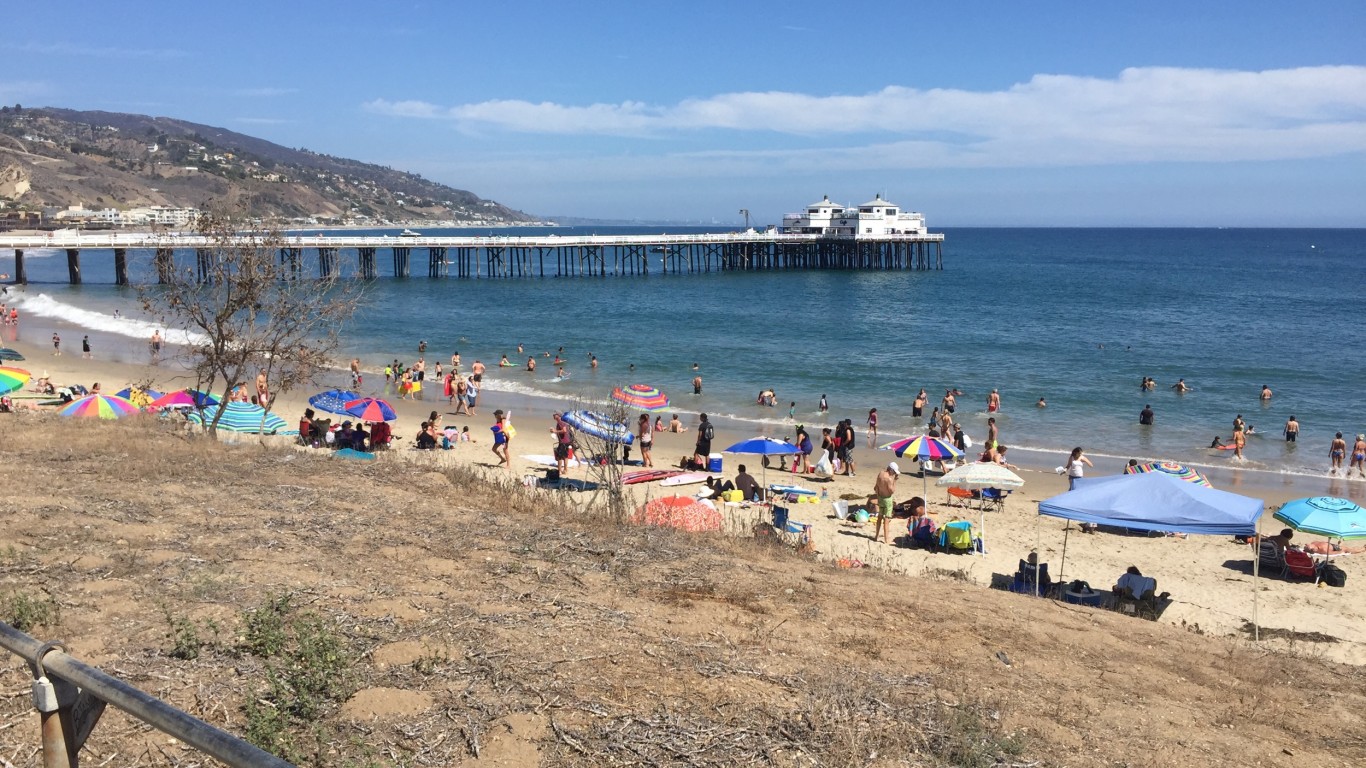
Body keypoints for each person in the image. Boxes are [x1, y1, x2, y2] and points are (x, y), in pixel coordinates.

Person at [871, 462, 900, 544]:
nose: (894, 473)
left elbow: (875, 487)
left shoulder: (880, 474)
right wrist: (895, 480)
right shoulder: (889, 479)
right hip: (887, 500)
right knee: (886, 520)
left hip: (880, 498)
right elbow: (892, 491)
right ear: (891, 470)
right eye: (894, 472)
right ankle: (886, 539)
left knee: (879, 517)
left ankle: (876, 536)